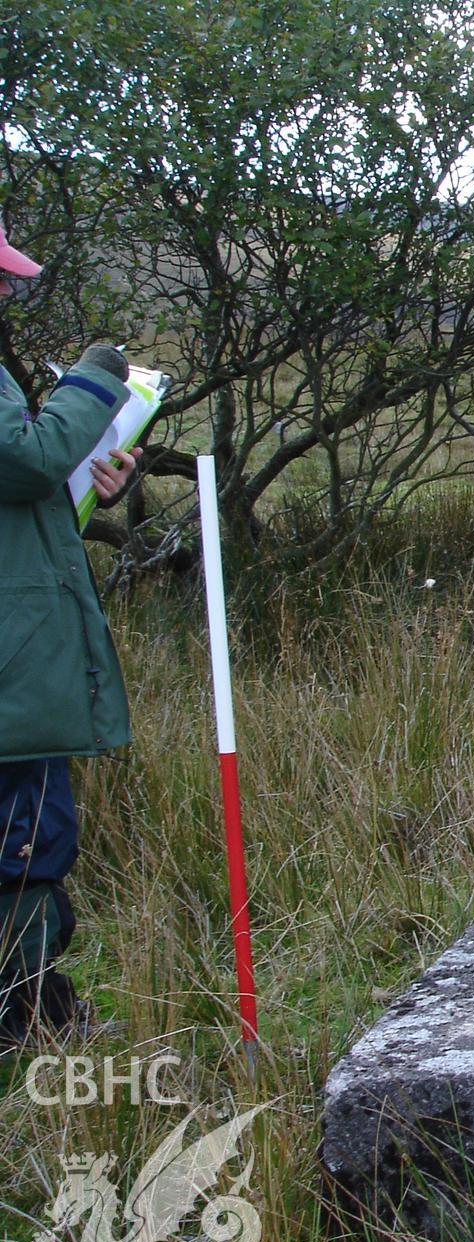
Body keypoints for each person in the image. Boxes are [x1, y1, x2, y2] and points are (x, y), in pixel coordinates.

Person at [0, 217, 141, 1044]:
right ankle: (24, 1014)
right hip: (13, 667)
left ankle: (33, 1006)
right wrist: (95, 384)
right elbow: (25, 461)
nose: (10, 288)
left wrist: (85, 491)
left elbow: (19, 492)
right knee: (27, 837)